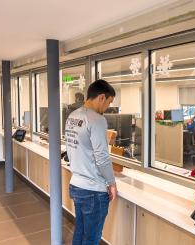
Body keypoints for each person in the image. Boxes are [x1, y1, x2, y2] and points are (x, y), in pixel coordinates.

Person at [65, 79, 117, 245]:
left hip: (76, 185)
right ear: (101, 97)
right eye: (109, 102)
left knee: (80, 231)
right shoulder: (97, 120)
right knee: (92, 238)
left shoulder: (72, 116)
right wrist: (112, 183)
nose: (108, 107)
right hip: (93, 190)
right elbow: (102, 157)